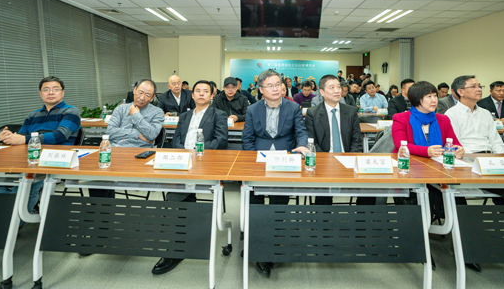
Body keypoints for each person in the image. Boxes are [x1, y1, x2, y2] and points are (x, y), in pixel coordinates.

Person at [152, 81, 229, 276]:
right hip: (183, 162)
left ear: (212, 95)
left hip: (206, 163)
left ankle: (176, 248)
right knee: (175, 196)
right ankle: (180, 238)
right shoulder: (185, 115)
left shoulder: (219, 115)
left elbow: (220, 140)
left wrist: (196, 152)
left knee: (175, 198)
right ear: (192, 95)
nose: (201, 94)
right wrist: (184, 154)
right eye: (198, 91)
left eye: (206, 91)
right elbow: (176, 139)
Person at [0, 76, 81, 214]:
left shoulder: (70, 111)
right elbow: (20, 137)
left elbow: (60, 135)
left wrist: (24, 139)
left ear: (62, 93)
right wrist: (8, 137)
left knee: (25, 185)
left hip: (53, 159)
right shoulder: (33, 115)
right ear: (40, 94)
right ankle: (4, 211)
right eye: (46, 90)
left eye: (55, 89)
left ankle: (15, 217)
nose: (51, 92)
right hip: (27, 158)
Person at [242, 69, 308, 279]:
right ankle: (256, 241)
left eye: (278, 84)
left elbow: (300, 132)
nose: (276, 88)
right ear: (261, 90)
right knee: (255, 203)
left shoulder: (293, 107)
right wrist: (252, 160)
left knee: (278, 204)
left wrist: (303, 146)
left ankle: (274, 243)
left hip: (284, 159)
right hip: (258, 159)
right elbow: (247, 138)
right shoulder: (252, 109)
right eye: (270, 85)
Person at [305, 75, 368, 205]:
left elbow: (357, 140)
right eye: (332, 87)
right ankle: (324, 217)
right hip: (324, 162)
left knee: (370, 188)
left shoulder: (350, 111)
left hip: (349, 160)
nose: (337, 91)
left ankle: (361, 216)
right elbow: (312, 142)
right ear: (322, 92)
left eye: (338, 87)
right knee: (323, 193)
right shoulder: (313, 113)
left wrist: (350, 159)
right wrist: (326, 161)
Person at [392, 81, 464, 158]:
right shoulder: (401, 118)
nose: (434, 100)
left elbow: (454, 144)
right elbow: (401, 145)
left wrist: (459, 150)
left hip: (437, 162)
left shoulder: (444, 119)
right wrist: (426, 151)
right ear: (416, 98)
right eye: (429, 96)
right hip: (407, 160)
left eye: (435, 96)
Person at [445, 75, 504, 154]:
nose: (479, 89)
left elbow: (496, 141)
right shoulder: (451, 114)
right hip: (466, 155)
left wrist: (502, 157)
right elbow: (454, 143)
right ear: (460, 92)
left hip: (488, 155)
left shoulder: (485, 113)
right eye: (473, 87)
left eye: (479, 86)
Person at [107, 79, 165, 148]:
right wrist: (137, 134)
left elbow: (151, 135)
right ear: (134, 90)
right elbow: (110, 132)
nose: (142, 98)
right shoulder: (121, 109)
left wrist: (136, 115)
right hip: (117, 148)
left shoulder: (157, 112)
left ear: (152, 98)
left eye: (147, 95)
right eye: (140, 92)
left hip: (141, 150)